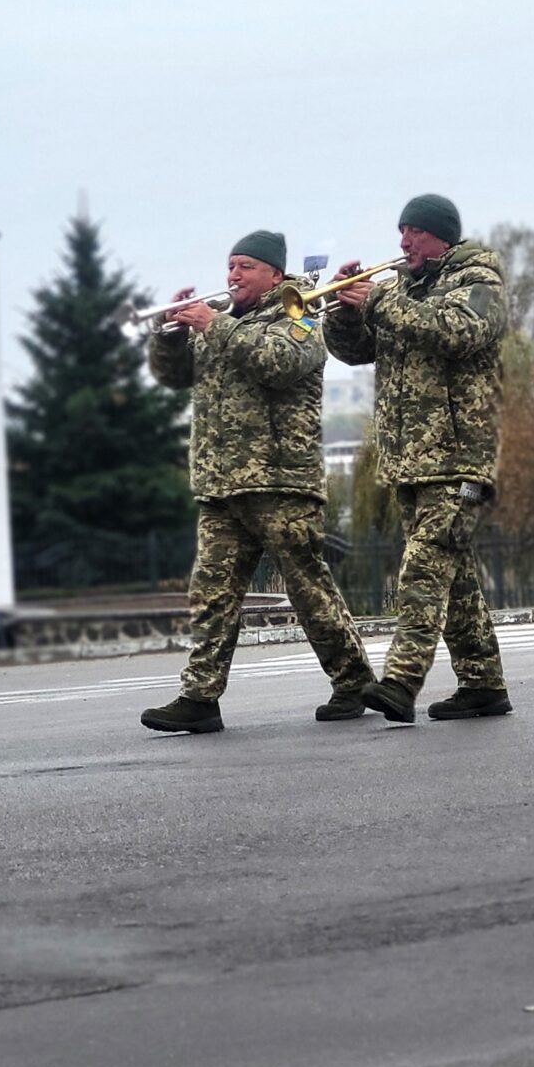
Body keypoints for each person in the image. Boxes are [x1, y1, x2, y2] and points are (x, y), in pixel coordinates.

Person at [139, 230, 376, 733]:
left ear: (274, 274)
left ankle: (353, 681)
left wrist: (216, 326)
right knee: (211, 595)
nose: (233, 275)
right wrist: (169, 335)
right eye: (230, 265)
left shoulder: (300, 313)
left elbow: (280, 364)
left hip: (279, 481)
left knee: (308, 589)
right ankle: (200, 697)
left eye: (245, 266)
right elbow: (173, 376)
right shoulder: (221, 320)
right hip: (221, 484)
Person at [325, 194, 512, 723]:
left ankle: (401, 682)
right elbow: (355, 351)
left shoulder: (479, 281)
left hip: (459, 459)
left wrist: (378, 302)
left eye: (415, 232)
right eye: (401, 231)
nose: (404, 242)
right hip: (409, 459)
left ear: (441, 236)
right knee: (454, 575)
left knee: (423, 571)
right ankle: (483, 684)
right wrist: (344, 311)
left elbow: (458, 332)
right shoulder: (402, 290)